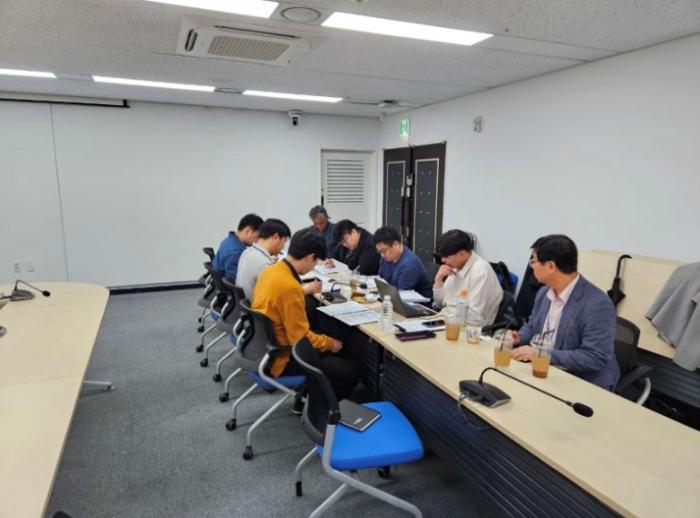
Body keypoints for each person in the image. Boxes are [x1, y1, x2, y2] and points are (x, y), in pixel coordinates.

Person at [252, 228, 361, 415]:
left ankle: (306, 397)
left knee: (323, 335)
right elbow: (300, 339)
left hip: (265, 348)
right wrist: (330, 343)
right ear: (310, 257)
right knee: (351, 370)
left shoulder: (271, 271)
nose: (314, 266)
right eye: (315, 262)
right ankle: (318, 410)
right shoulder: (289, 286)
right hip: (284, 357)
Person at [511, 234, 619, 391]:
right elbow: (532, 326)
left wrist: (541, 354)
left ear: (550, 266)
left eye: (533, 261)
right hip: (546, 372)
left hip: (584, 382)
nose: (532, 266)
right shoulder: (544, 293)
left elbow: (594, 357)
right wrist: (518, 337)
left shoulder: (598, 304)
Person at [433, 229, 503, 325]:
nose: (442, 260)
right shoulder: (456, 266)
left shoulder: (481, 272)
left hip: (469, 329)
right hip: (447, 321)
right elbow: (440, 304)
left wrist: (445, 315)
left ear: (462, 254)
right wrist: (438, 280)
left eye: (446, 256)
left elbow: (474, 317)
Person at [235, 218, 292, 299]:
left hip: (246, 302)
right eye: (284, 241)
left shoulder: (247, 252)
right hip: (257, 305)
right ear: (275, 237)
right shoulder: (264, 264)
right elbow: (281, 294)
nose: (283, 247)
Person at [373, 226, 432, 298]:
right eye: (380, 252)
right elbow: (381, 281)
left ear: (395, 244)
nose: (382, 255)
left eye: (384, 251)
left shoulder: (410, 264)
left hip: (414, 302)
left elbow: (402, 295)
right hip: (391, 296)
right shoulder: (387, 258)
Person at [212, 214, 263, 281]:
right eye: (257, 236)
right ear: (248, 231)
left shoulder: (229, 240)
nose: (257, 240)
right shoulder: (235, 252)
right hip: (227, 286)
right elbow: (235, 281)